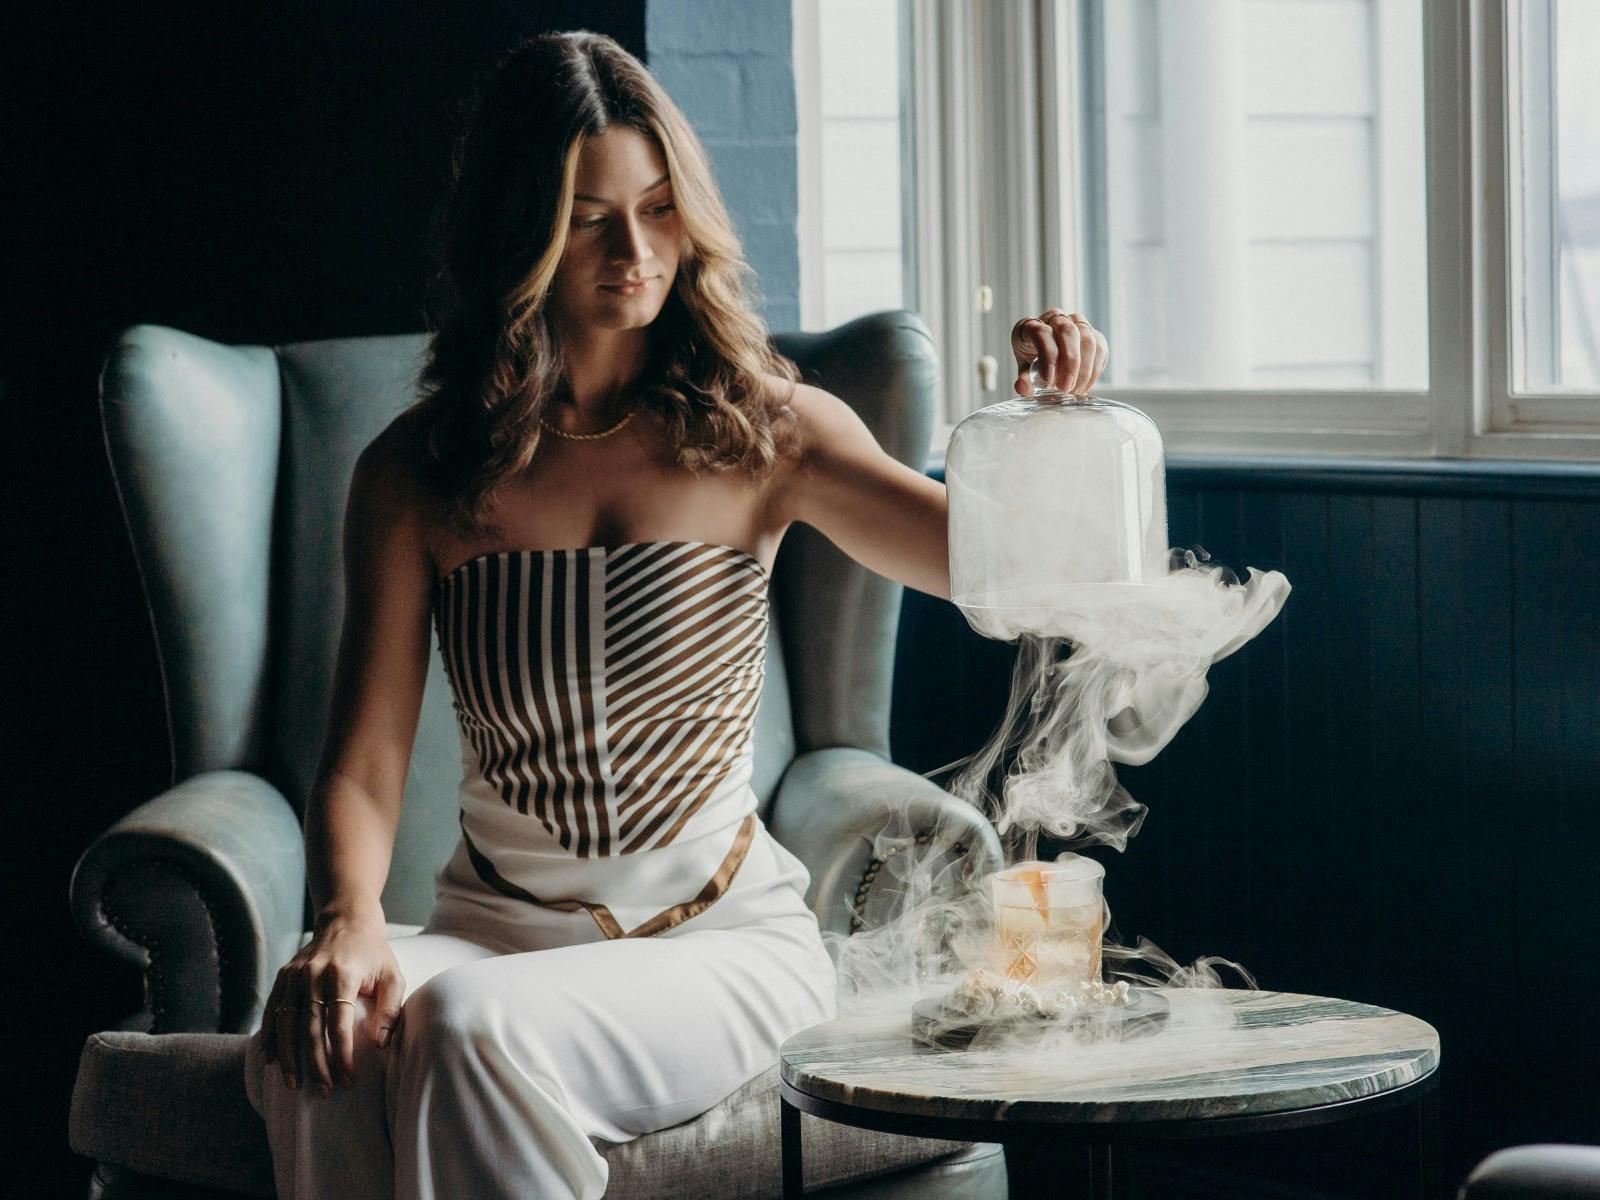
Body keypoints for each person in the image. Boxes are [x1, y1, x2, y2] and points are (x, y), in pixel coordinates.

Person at [242, 28, 1108, 1200]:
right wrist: (347, 920)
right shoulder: (415, 472)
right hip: (490, 930)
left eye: (658, 210)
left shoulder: (769, 430)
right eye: (589, 219)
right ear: (517, 231)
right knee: (317, 1044)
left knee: (466, 1029)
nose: (636, 253)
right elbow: (362, 763)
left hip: (720, 945)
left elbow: (1003, 572)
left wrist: (1051, 425)